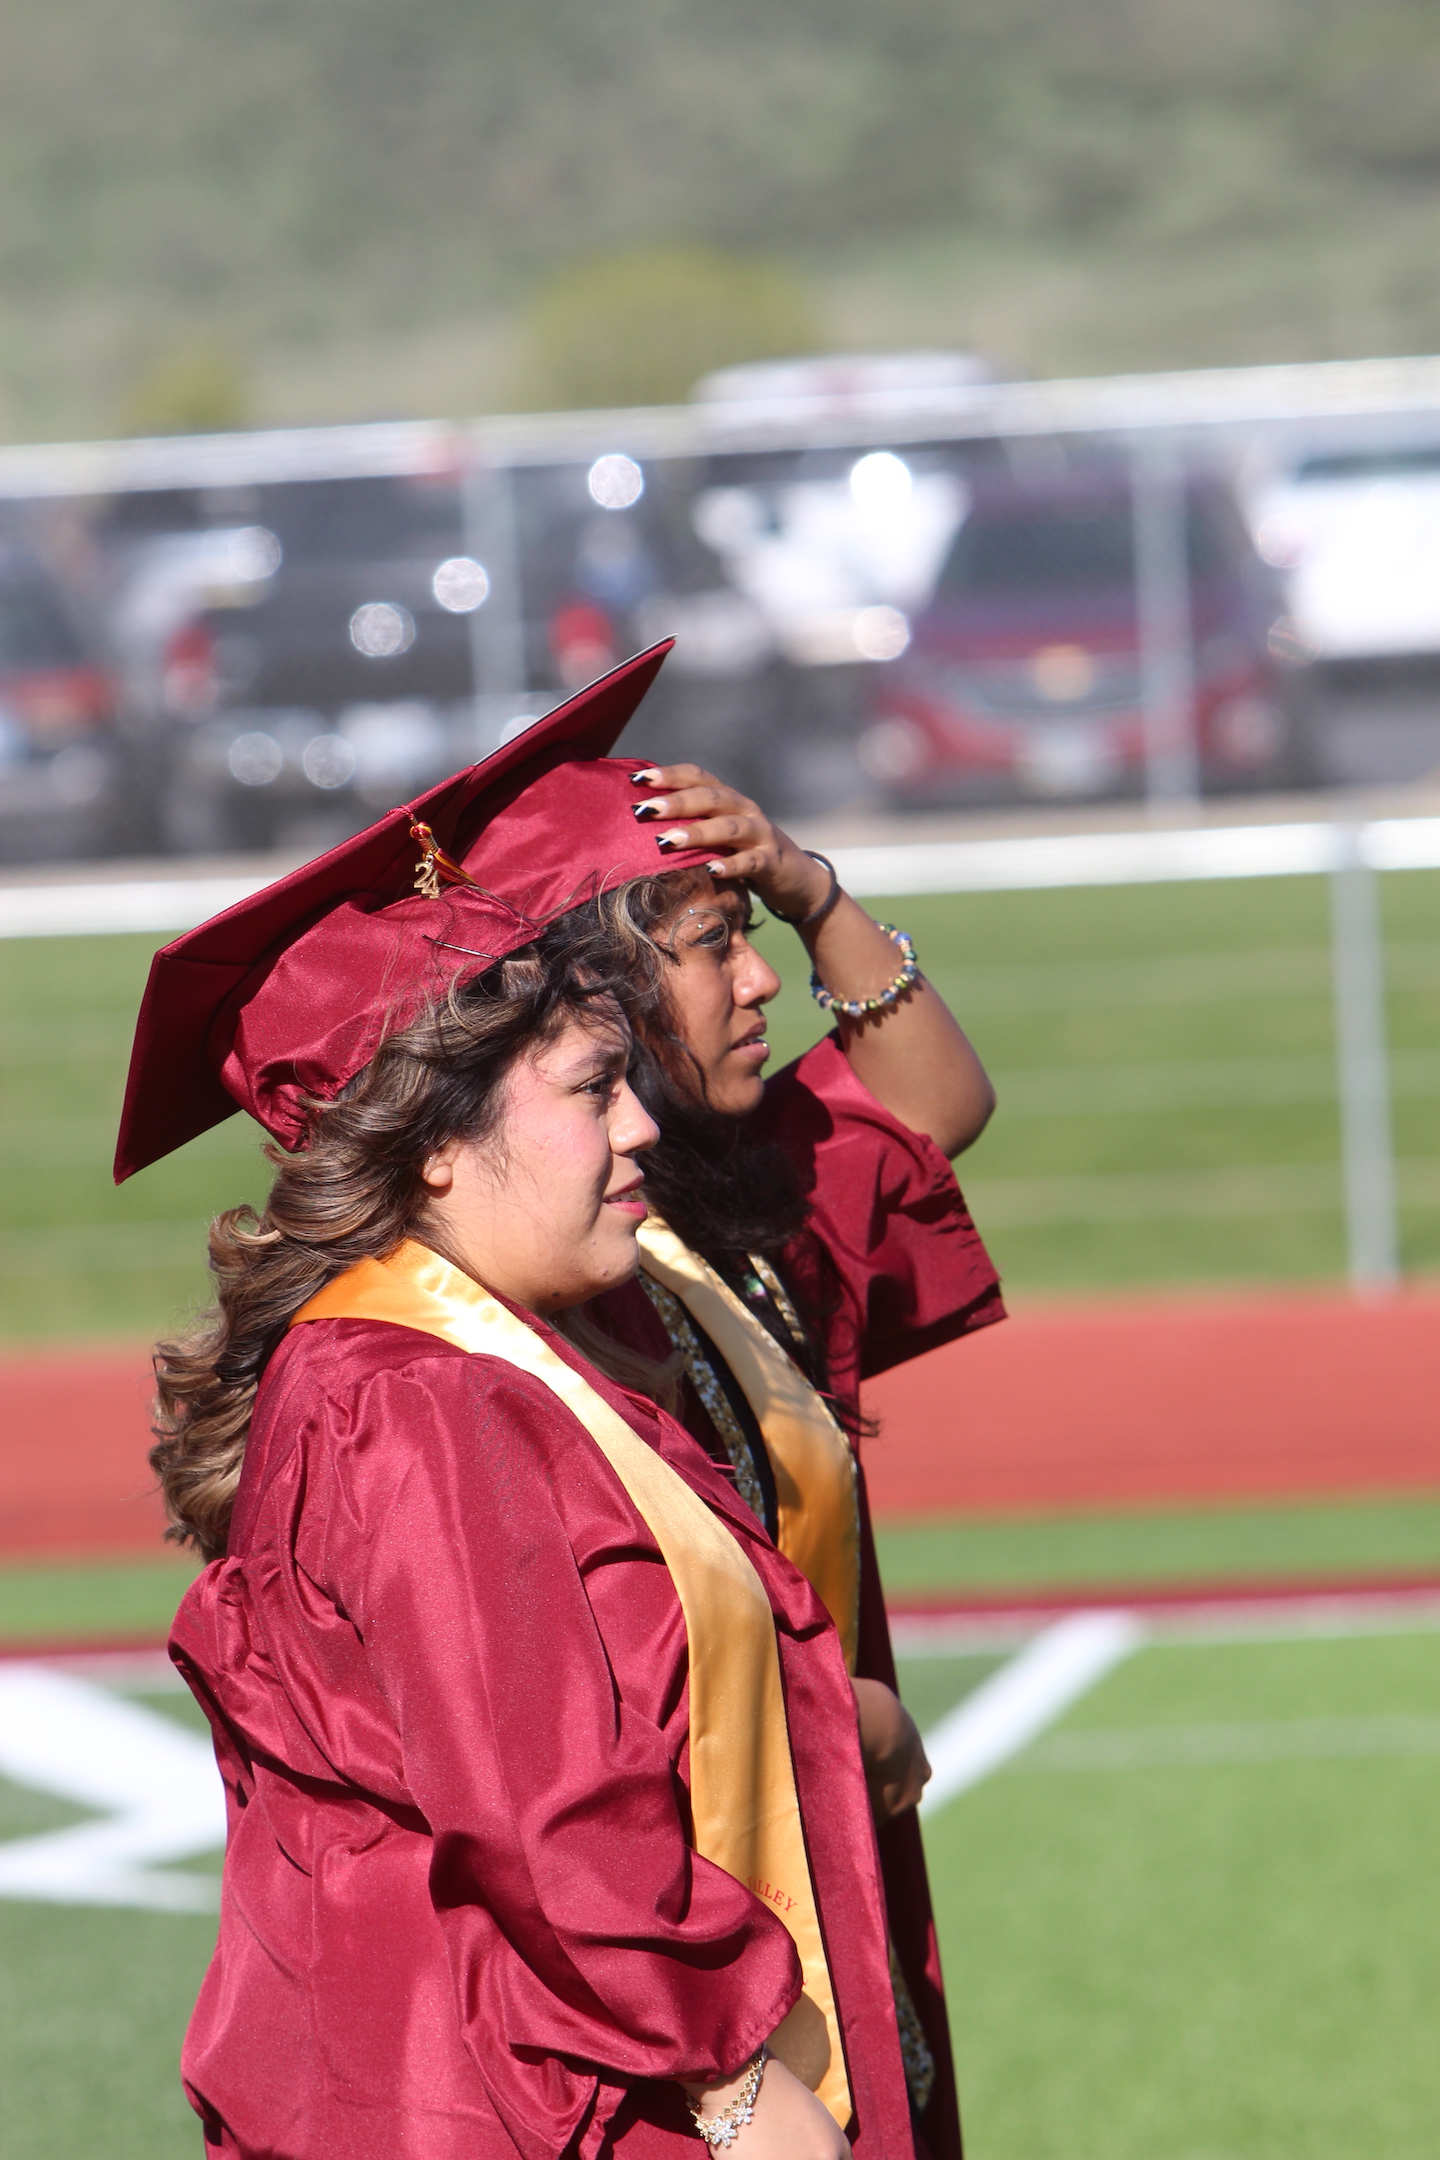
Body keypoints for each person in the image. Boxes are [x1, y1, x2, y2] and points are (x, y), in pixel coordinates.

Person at [115, 646, 920, 2160]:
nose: (638, 1130)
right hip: (513, 2097)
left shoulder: (484, 1359)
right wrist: (737, 2087)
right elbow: (548, 1822)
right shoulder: (413, 1401)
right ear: (431, 1142)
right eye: (590, 1090)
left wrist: (831, 1708)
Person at [556, 773, 1003, 2160]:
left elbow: (931, 1111)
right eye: (715, 946)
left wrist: (810, 887)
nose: (761, 982)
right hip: (694, 1910)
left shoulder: (731, 1203)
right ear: (597, 1000)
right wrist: (845, 1714)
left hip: (824, 1832)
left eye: (755, 937)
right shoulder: (558, 1283)